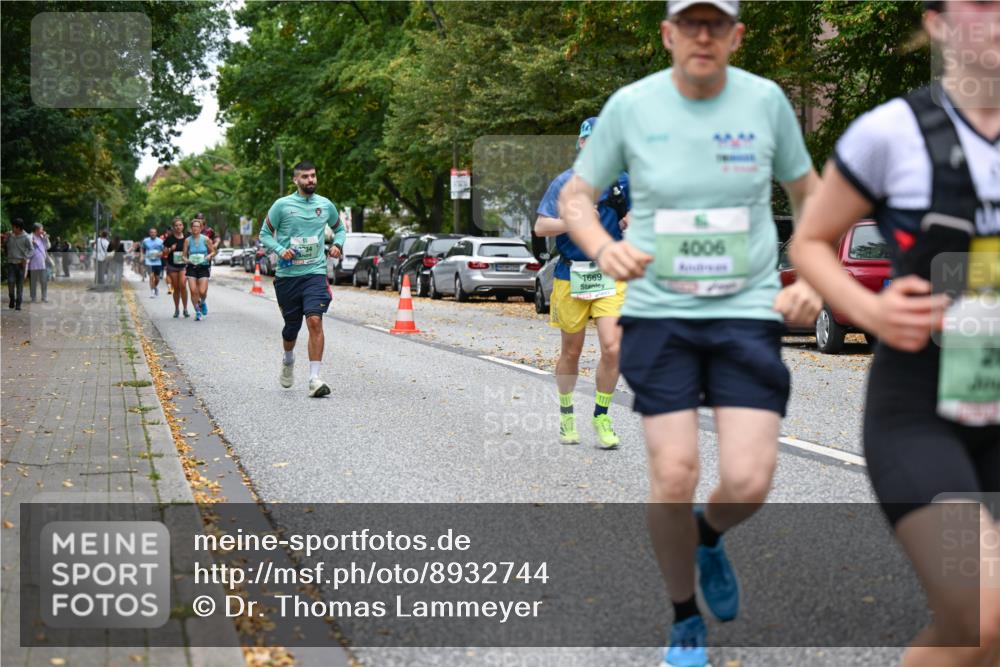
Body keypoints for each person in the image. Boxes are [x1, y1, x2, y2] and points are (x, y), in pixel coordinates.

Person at [560, 2, 823, 665]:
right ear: (668, 34)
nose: (703, 36)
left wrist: (815, 276)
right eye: (690, 24)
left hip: (746, 313)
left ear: (735, 35)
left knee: (750, 477)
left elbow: (810, 192)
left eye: (717, 25)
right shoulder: (632, 106)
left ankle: (708, 535)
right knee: (674, 472)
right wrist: (598, 244)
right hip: (661, 313)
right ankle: (683, 618)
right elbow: (576, 196)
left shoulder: (765, 103)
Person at [791, 2, 1000, 665]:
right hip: (923, 416)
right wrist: (872, 310)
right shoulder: (892, 134)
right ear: (937, 22)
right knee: (980, 615)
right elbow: (813, 241)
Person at [535, 117, 630, 449]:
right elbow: (541, 228)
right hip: (571, 274)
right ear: (581, 144)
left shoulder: (622, 183)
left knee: (613, 347)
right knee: (572, 352)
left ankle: (602, 415)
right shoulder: (564, 183)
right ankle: (566, 414)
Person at [260, 160, 346, 397]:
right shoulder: (282, 205)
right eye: (306, 177)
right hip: (288, 276)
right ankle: (288, 359)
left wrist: (337, 244)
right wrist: (280, 249)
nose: (311, 180)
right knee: (291, 328)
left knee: (315, 321)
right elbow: (264, 234)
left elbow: (340, 229)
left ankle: (314, 379)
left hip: (315, 273)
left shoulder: (325, 205)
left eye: (313, 176)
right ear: (296, 180)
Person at [183, 218, 215, 321]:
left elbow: (213, 252)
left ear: (201, 228)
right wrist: (187, 260)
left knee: (202, 291)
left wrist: (208, 256)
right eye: (193, 226)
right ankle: (197, 311)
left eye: (197, 226)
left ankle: (203, 302)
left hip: (203, 266)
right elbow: (183, 256)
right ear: (191, 228)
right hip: (192, 267)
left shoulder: (205, 239)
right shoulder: (187, 240)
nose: (195, 228)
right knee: (193, 291)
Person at [162, 217, 190, 318]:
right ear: (173, 227)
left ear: (183, 226)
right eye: (176, 225)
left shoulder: (187, 237)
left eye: (180, 225)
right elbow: (164, 252)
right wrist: (170, 249)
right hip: (173, 265)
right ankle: (177, 309)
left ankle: (185, 309)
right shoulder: (169, 239)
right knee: (176, 288)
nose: (178, 227)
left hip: (183, 265)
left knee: (183, 285)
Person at [5, 219, 32, 310]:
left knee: (19, 285)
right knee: (10, 282)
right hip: (11, 263)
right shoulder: (10, 236)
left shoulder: (26, 237)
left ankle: (18, 304)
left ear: (18, 228)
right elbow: (5, 245)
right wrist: (6, 238)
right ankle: (12, 298)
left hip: (21, 264)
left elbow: (32, 250)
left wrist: (26, 258)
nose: (12, 228)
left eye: (13, 227)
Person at [28, 222, 50, 303]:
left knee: (44, 281)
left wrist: (46, 238)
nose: (42, 230)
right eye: (41, 229)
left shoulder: (42, 237)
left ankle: (44, 297)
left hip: (42, 263)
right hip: (33, 263)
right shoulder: (30, 237)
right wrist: (32, 243)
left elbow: (48, 247)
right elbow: (26, 249)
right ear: (37, 230)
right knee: (33, 282)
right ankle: (33, 297)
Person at [141, 227, 165, 297]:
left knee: (157, 278)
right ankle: (153, 292)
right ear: (149, 233)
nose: (153, 234)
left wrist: (161, 253)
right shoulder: (145, 241)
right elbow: (142, 249)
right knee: (151, 276)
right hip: (148, 261)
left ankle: (155, 287)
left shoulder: (160, 241)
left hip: (157, 262)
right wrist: (142, 256)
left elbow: (164, 250)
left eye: (154, 232)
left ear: (156, 233)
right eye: (151, 232)